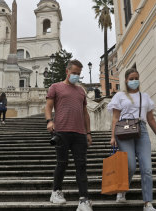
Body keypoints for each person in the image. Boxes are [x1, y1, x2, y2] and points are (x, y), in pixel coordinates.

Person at [107, 68, 156, 211]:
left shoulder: (144, 96)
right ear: (126, 80)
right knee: (131, 166)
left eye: (136, 78)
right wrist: (112, 136)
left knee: (147, 168)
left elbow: (151, 119)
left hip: (142, 130)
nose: (134, 81)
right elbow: (115, 118)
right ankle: (121, 190)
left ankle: (148, 203)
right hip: (124, 130)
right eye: (131, 78)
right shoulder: (120, 96)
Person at [45, 59, 93, 211]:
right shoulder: (56, 87)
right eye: (74, 73)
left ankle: (84, 200)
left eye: (78, 74)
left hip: (79, 133)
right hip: (61, 131)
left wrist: (88, 132)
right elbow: (48, 106)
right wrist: (49, 121)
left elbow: (85, 113)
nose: (76, 76)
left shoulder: (81, 91)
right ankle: (56, 191)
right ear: (67, 71)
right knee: (62, 163)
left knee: (81, 165)